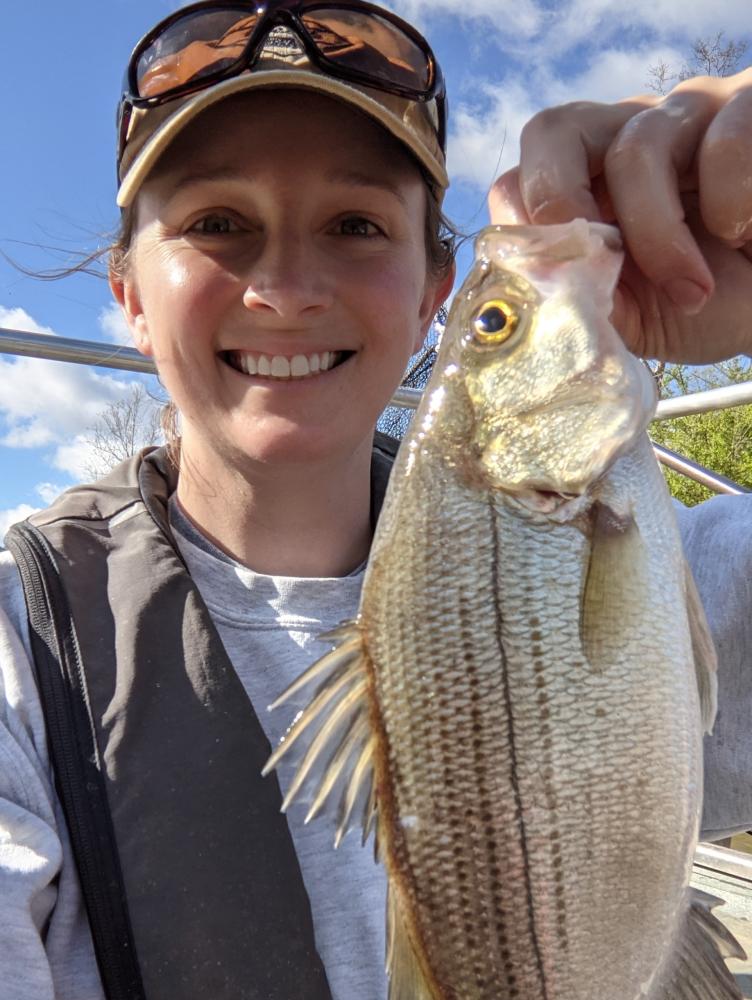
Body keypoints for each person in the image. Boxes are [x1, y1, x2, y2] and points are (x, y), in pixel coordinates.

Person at [0, 2, 749, 997]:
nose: (285, 285)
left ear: (433, 288)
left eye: (355, 224)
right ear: (128, 295)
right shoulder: (23, 652)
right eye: (215, 222)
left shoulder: (682, 565)